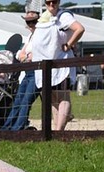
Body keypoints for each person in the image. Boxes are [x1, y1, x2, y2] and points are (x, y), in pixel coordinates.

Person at [31, 0, 84, 131]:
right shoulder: (44, 18)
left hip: (61, 65)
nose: (51, 5)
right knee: (53, 99)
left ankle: (58, 131)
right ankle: (56, 130)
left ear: (58, 2)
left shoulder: (64, 16)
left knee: (63, 97)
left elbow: (80, 29)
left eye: (53, 1)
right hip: (48, 66)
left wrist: (68, 44)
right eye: (48, 2)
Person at [1, 10, 41, 131]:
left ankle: (17, 128)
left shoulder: (41, 35)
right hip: (28, 71)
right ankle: (7, 128)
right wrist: (25, 56)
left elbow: (34, 55)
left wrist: (26, 56)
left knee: (26, 100)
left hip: (37, 71)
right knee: (18, 100)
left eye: (33, 21)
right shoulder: (30, 36)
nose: (30, 24)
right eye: (28, 22)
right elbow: (22, 55)